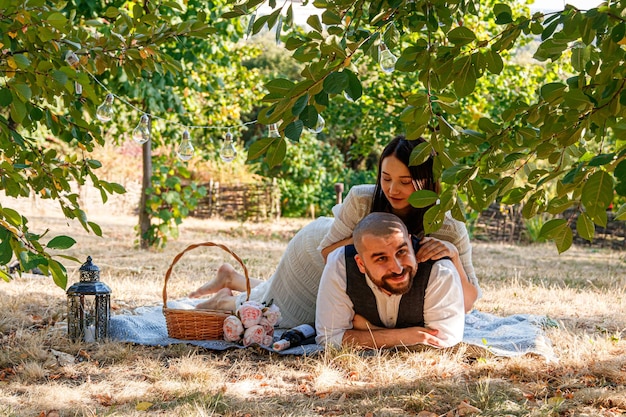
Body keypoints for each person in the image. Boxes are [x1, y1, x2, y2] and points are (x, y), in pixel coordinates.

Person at [189, 136, 481, 328]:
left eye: (405, 182)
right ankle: (228, 300)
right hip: (320, 254)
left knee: (275, 294)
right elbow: (329, 253)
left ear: (427, 182)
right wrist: (373, 244)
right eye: (386, 178)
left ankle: (232, 277)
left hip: (369, 275)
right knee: (280, 314)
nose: (392, 190)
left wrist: (453, 256)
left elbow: (466, 304)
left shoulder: (448, 226)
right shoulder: (362, 199)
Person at [315, 212, 465, 349]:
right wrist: (408, 336)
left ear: (410, 243)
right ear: (361, 264)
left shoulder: (439, 270)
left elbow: (444, 341)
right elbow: (329, 338)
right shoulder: (341, 264)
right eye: (381, 258)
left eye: (401, 252)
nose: (397, 269)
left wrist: (369, 329)